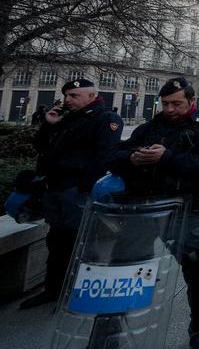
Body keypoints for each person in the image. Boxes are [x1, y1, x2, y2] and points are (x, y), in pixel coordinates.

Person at [109, 76, 199, 349]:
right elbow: (113, 156)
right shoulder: (150, 127)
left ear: (192, 102)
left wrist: (167, 157)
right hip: (143, 207)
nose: (170, 109)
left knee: (196, 266)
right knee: (122, 268)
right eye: (166, 103)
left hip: (183, 207)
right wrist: (133, 159)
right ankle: (106, 333)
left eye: (177, 103)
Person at [20, 79, 123, 309]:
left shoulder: (106, 119)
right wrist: (48, 124)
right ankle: (54, 288)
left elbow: (103, 157)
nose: (68, 99)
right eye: (66, 95)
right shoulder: (65, 118)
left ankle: (83, 291)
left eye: (74, 95)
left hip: (76, 191)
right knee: (56, 239)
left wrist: (84, 188)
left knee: (82, 241)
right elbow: (41, 146)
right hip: (55, 188)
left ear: (91, 95)